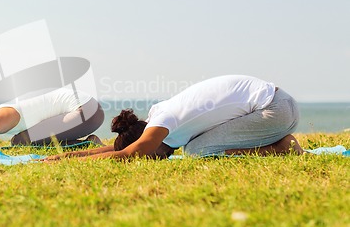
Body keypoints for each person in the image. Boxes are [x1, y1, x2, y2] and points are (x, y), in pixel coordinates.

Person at [46, 75, 304, 161]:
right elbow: (119, 148)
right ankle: (277, 140)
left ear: (150, 141)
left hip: (275, 110)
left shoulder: (163, 121)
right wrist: (61, 156)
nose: (158, 158)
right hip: (277, 105)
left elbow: (127, 153)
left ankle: (281, 147)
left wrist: (62, 161)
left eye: (153, 156)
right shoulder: (159, 117)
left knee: (197, 150)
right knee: (196, 146)